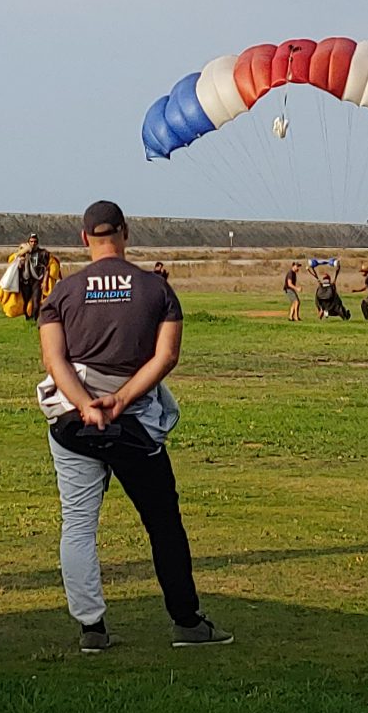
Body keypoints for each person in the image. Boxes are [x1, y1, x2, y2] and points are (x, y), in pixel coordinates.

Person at [36, 200, 231, 653]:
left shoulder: (61, 294)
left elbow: (54, 360)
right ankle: (187, 621)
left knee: (79, 525)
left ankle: (92, 629)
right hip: (135, 425)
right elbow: (167, 357)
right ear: (126, 232)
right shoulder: (156, 290)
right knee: (162, 521)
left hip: (74, 424)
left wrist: (87, 406)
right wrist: (120, 400)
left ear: (84, 238)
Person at [0, 232, 63, 320]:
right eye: (31, 241)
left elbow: (49, 267)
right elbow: (12, 260)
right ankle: (28, 318)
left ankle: (34, 319)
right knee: (25, 302)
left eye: (35, 242)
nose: (33, 243)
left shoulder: (43, 254)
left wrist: (45, 281)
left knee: (36, 302)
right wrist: (21, 258)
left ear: (37, 242)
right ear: (28, 242)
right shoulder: (22, 253)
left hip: (37, 282)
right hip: (25, 282)